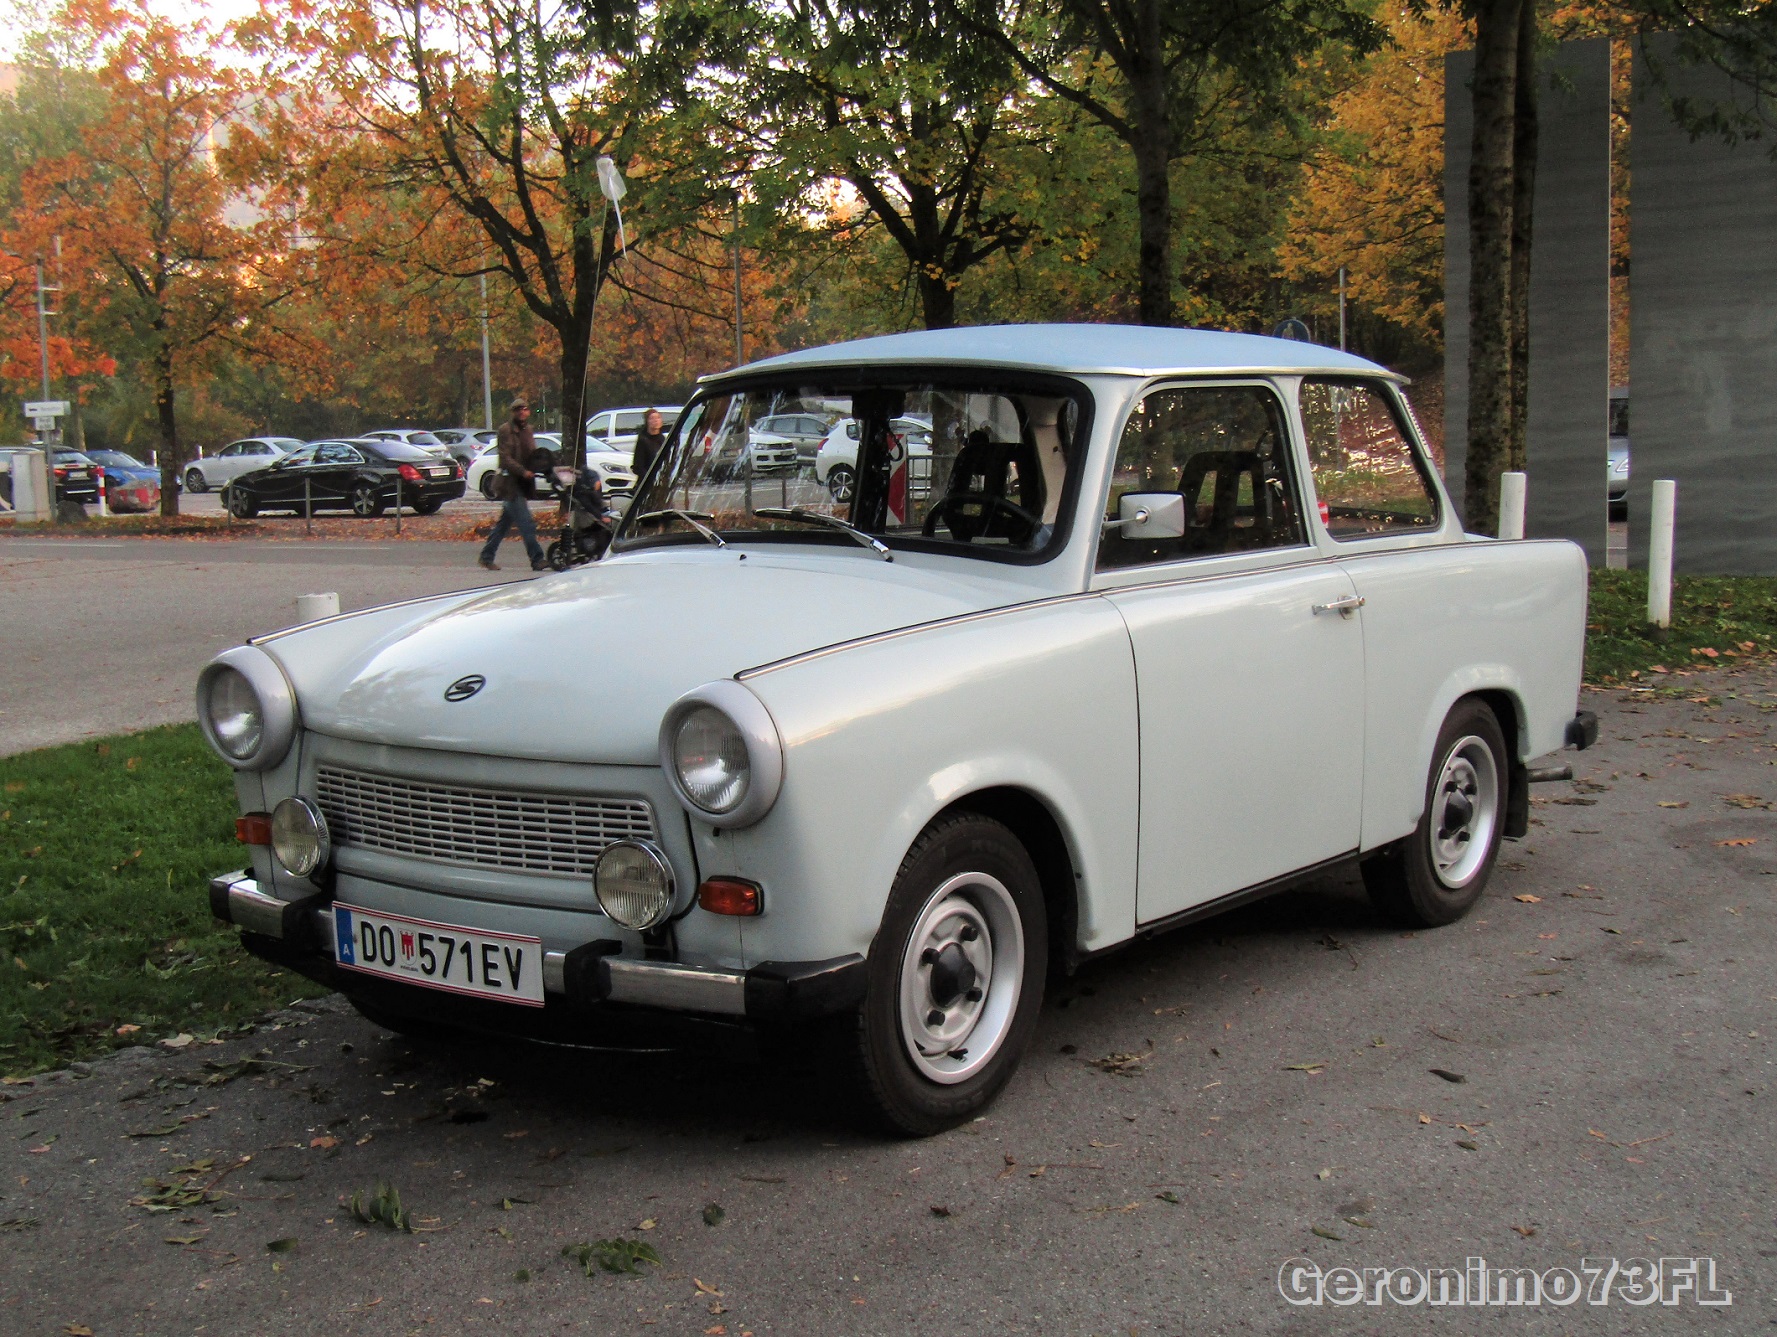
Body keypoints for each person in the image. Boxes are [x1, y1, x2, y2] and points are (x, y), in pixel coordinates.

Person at [479, 398, 547, 572]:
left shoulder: (529, 430)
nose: (521, 412)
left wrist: (544, 464)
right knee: (526, 523)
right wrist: (523, 471)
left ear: (528, 412)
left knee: (504, 524)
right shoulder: (505, 430)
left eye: (524, 409)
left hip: (523, 483)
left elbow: (532, 454)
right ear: (513, 412)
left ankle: (486, 557)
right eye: (518, 410)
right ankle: (537, 559)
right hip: (510, 483)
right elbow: (505, 458)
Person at [631, 407, 668, 484]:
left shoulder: (662, 439)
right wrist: (650, 478)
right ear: (647, 421)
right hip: (648, 482)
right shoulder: (643, 440)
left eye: (658, 418)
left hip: (662, 482)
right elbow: (638, 466)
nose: (656, 421)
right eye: (652, 418)